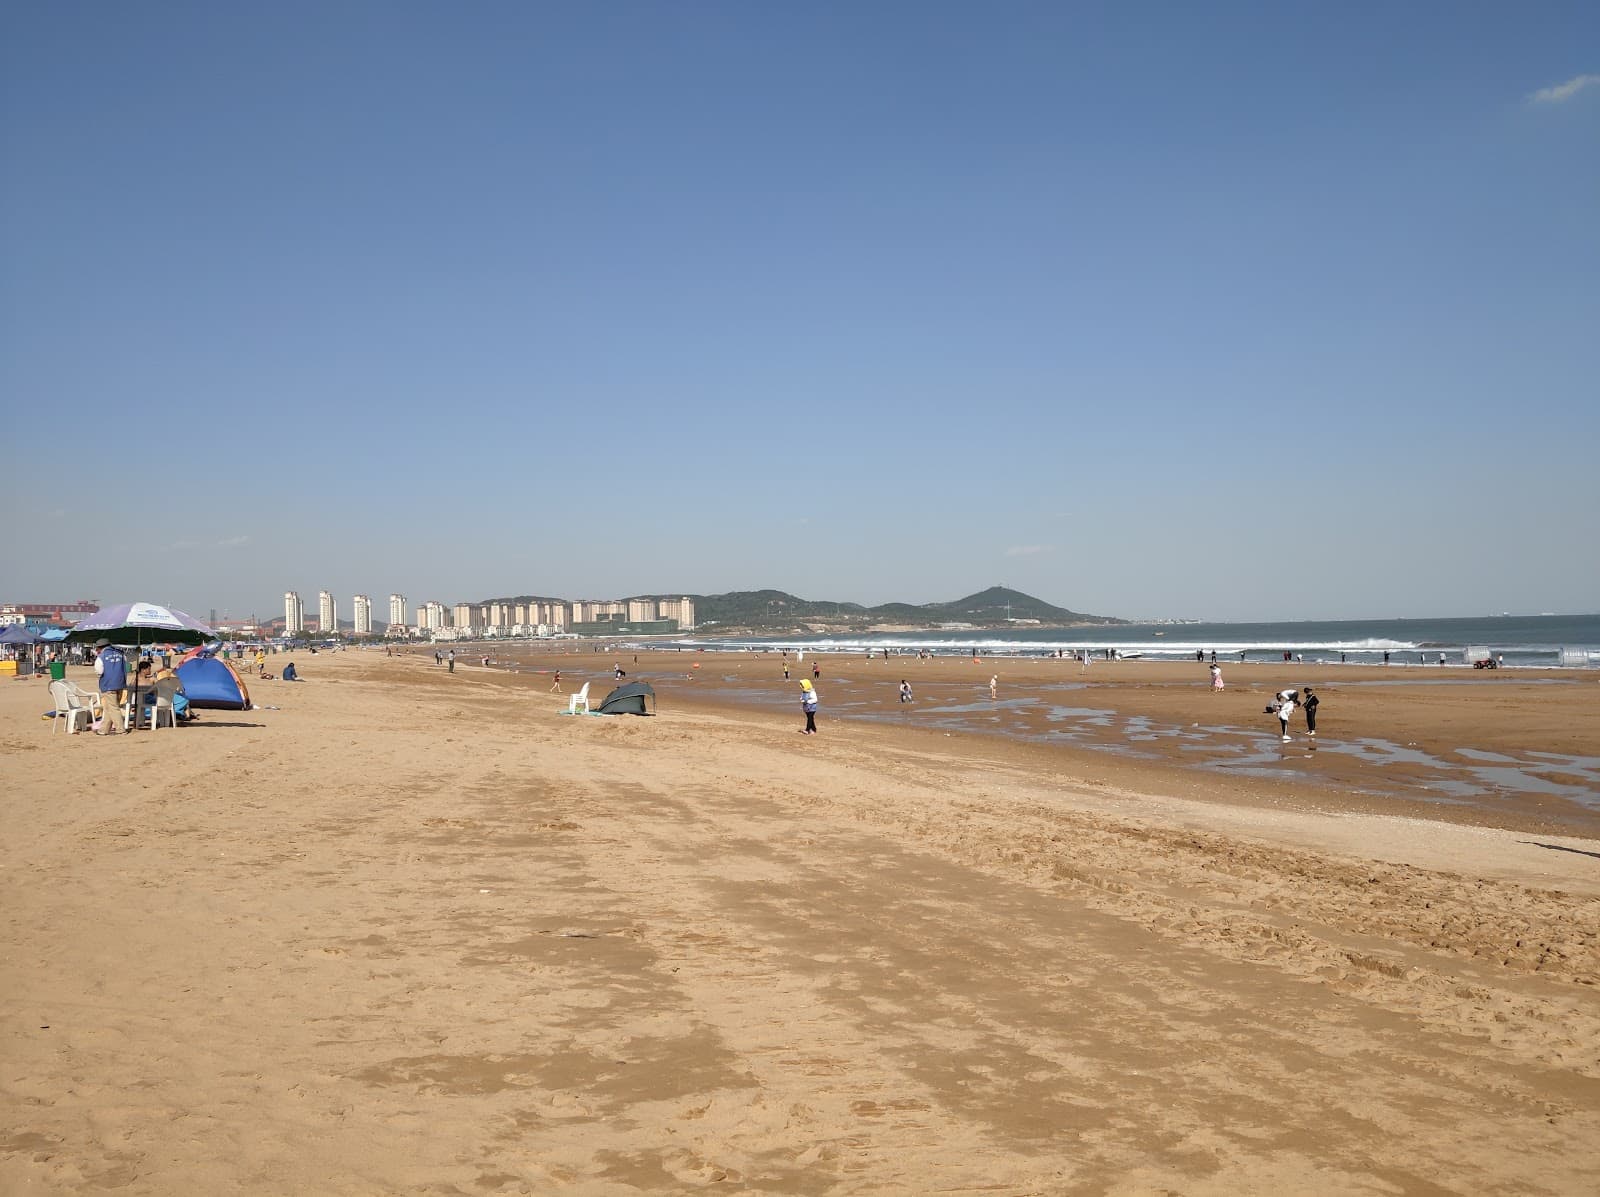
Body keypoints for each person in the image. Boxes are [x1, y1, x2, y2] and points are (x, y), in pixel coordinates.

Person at [93, 638, 127, 735]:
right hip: (120, 684)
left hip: (108, 685)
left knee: (113, 708)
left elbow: (99, 671)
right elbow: (126, 665)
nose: (96, 651)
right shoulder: (121, 654)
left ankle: (121, 729)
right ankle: (104, 729)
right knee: (109, 707)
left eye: (97, 648)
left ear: (100, 648)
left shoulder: (101, 657)